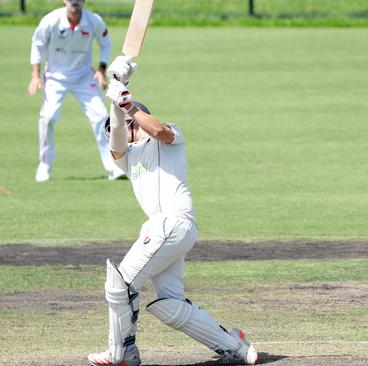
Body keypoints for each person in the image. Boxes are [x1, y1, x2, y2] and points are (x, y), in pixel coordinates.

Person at [86, 57, 258, 366]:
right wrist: (116, 98)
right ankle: (237, 347)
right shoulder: (126, 158)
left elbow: (159, 130)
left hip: (170, 224)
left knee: (120, 284)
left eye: (121, 126)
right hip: (172, 230)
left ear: (136, 120)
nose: (116, 132)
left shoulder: (167, 138)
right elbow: (116, 148)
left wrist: (126, 102)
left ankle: (122, 353)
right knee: (171, 304)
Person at [28, 0, 124, 182]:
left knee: (101, 116)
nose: (75, 2)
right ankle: (45, 164)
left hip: (84, 76)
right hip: (55, 77)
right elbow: (37, 45)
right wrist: (35, 75)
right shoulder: (51, 20)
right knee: (48, 117)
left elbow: (105, 42)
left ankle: (113, 165)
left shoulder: (94, 21)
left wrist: (102, 70)